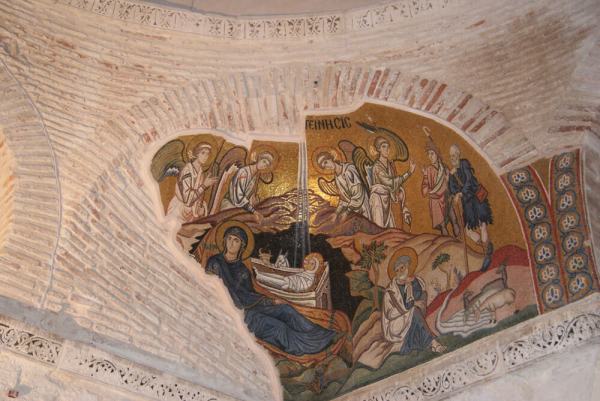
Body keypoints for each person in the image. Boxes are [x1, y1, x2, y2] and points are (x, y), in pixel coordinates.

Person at [205, 224, 336, 356]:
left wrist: (270, 301)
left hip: (250, 307)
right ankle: (312, 346)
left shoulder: (243, 269)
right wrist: (268, 301)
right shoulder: (215, 263)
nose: (231, 243)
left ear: (242, 246)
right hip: (235, 312)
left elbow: (250, 294)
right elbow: (216, 292)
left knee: (286, 309)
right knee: (279, 327)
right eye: (229, 239)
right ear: (224, 240)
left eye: (236, 240)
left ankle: (321, 334)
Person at [382, 253, 446, 355]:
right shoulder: (390, 292)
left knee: (415, 313)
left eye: (402, 267)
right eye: (397, 270)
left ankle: (425, 344)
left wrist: (412, 284)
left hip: (410, 317)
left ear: (407, 266)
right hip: (396, 323)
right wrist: (412, 305)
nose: (400, 271)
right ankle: (434, 343)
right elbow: (392, 313)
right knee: (414, 311)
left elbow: (420, 296)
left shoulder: (414, 282)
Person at [448, 144, 494, 271]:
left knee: (482, 224)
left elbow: (469, 180)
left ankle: (486, 254)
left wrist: (461, 193)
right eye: (451, 156)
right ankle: (486, 247)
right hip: (467, 204)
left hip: (476, 199)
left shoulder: (464, 164)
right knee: (468, 231)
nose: (453, 158)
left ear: (459, 155)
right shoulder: (452, 172)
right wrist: (451, 178)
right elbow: (452, 189)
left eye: (454, 155)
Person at [369, 136, 415, 228]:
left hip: (389, 200)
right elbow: (390, 182)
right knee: (380, 229)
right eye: (383, 146)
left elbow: (395, 186)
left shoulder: (390, 166)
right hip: (379, 199)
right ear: (378, 149)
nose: (387, 149)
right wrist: (409, 173)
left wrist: (404, 208)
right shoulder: (377, 167)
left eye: (388, 147)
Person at [167, 142, 218, 224]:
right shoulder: (188, 171)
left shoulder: (200, 171)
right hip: (178, 212)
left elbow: (198, 197)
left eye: (207, 154)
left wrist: (201, 208)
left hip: (191, 213)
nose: (205, 156)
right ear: (196, 154)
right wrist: (204, 185)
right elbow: (188, 200)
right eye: (203, 153)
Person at [316, 151, 371, 220]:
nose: (327, 166)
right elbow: (344, 199)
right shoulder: (337, 178)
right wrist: (336, 213)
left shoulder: (349, 169)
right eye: (324, 167)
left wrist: (347, 212)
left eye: (326, 162)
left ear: (330, 158)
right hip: (352, 209)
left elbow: (358, 194)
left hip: (362, 207)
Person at [420, 135, 457, 236]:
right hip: (435, 199)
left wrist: (449, 180)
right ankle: (446, 238)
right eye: (428, 154)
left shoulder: (444, 168)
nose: (430, 156)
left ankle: (457, 235)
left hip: (446, 196)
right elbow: (424, 189)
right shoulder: (428, 170)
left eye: (432, 153)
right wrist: (426, 178)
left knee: (454, 220)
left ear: (437, 154)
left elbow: (452, 184)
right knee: (442, 225)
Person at [220, 151, 274, 218]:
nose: (264, 165)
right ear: (259, 159)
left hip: (241, 207)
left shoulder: (255, 177)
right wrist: (253, 210)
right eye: (264, 161)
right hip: (230, 206)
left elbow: (249, 196)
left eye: (266, 165)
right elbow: (238, 196)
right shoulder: (244, 172)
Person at [257, 252, 322, 292]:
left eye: (312, 263)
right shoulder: (305, 272)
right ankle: (260, 274)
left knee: (280, 281)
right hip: (289, 280)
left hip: (291, 284)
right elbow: (297, 277)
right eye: (309, 262)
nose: (309, 264)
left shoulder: (310, 277)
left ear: (316, 267)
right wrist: (292, 279)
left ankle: (260, 277)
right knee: (279, 277)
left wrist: (293, 282)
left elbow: (303, 285)